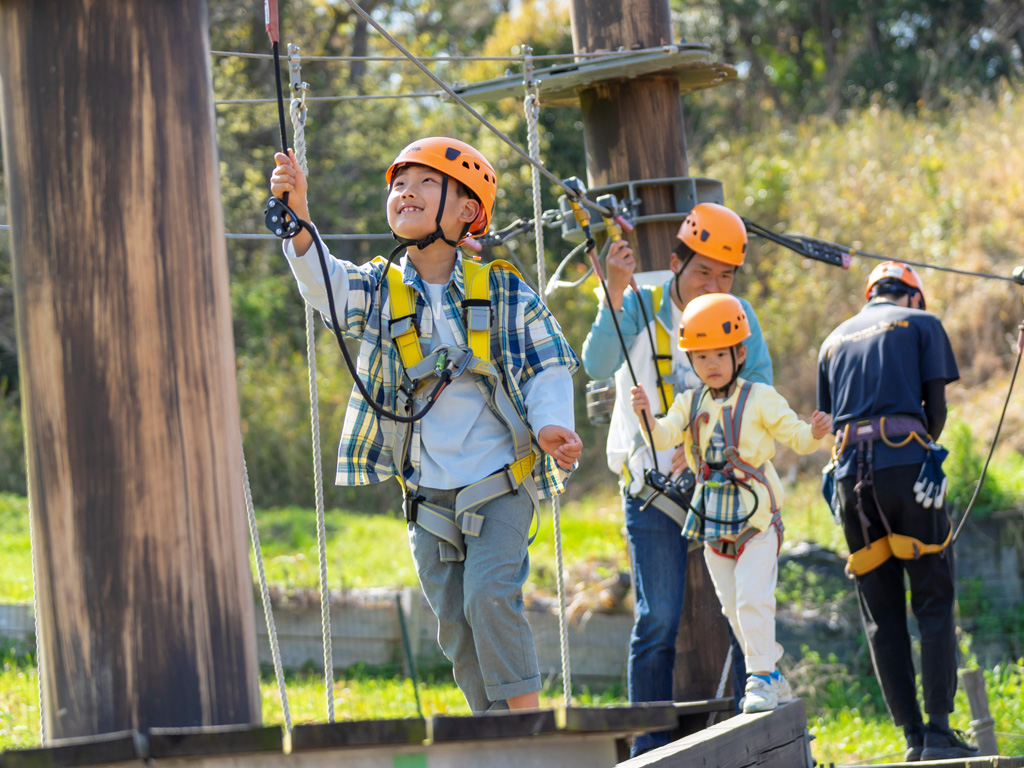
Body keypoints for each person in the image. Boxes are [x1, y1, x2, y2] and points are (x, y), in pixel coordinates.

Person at [269, 137, 583, 713]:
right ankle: (494, 736)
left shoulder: (502, 289)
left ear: (469, 210)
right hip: (429, 495)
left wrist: (550, 427)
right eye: (398, 185)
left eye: (427, 183)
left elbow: (546, 366)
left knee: (490, 596)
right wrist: (300, 218)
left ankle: (529, 729)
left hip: (500, 481)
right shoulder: (380, 288)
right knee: (455, 624)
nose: (405, 191)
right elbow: (327, 288)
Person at [580, 203, 771, 755]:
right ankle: (650, 746)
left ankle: (748, 733)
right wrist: (613, 292)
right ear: (675, 263)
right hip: (650, 489)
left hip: (725, 487)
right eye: (702, 270)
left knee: (741, 609)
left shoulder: (741, 318)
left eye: (726, 274)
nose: (715, 284)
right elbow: (595, 364)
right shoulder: (639, 303)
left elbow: (759, 391)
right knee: (658, 618)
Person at [631, 292, 831, 715]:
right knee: (731, 608)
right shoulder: (690, 402)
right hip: (712, 522)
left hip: (757, 519)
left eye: (720, 354)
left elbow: (795, 436)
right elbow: (664, 437)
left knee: (752, 599)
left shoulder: (760, 397)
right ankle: (772, 677)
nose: (712, 365)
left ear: (739, 353)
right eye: (700, 357)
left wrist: (814, 432)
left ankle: (758, 677)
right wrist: (647, 416)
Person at [817, 261, 978, 761]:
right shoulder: (922, 324)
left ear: (871, 295)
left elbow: (830, 417)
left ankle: (910, 737)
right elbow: (936, 414)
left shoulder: (831, 342)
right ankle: (937, 732)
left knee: (881, 613)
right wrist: (916, 454)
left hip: (850, 483)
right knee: (931, 595)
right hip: (906, 465)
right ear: (913, 297)